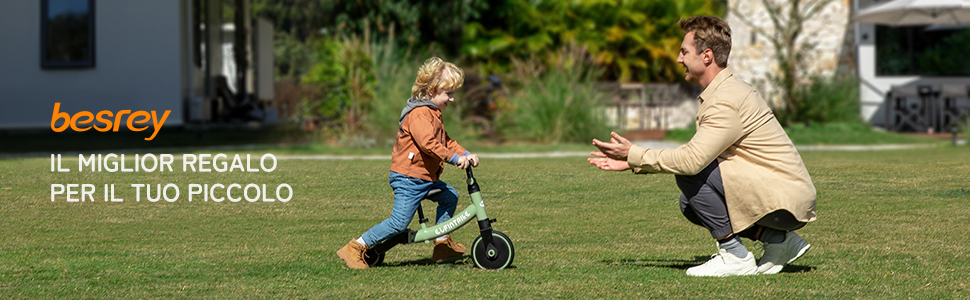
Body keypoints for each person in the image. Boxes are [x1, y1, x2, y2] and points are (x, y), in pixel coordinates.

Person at [588, 16, 816, 277]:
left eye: (684, 51)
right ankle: (778, 241)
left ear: (706, 56)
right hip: (783, 197)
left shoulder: (725, 100)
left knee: (691, 173)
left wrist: (634, 155)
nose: (678, 58)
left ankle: (734, 256)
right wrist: (632, 161)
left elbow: (692, 160)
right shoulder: (726, 91)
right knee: (690, 203)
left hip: (783, 202)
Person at [337, 57, 480, 269]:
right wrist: (455, 159)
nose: (451, 99)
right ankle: (355, 247)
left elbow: (446, 141)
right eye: (448, 93)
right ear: (432, 90)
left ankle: (441, 244)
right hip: (408, 178)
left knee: (450, 196)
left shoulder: (434, 113)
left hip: (425, 178)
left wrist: (465, 153)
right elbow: (428, 143)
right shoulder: (420, 114)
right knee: (399, 223)